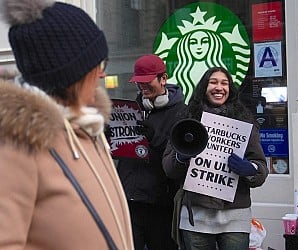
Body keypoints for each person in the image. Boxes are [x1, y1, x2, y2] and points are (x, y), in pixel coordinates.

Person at [0, 0, 134, 249]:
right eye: (99, 65)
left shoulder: (86, 129)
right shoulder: (5, 150)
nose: (102, 74)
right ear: (72, 75)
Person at [162, 66, 269, 250]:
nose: (219, 87)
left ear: (230, 89)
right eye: (213, 82)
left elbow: (261, 169)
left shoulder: (244, 121)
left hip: (235, 215)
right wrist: (181, 157)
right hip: (196, 216)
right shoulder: (187, 120)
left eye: (224, 83)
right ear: (204, 87)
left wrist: (250, 169)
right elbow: (169, 168)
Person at [115, 54, 186, 250]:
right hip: (130, 201)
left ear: (163, 79)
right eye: (138, 83)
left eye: (147, 82)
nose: (142, 87)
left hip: (160, 205)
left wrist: (154, 138)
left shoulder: (182, 113)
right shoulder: (131, 110)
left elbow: (179, 159)